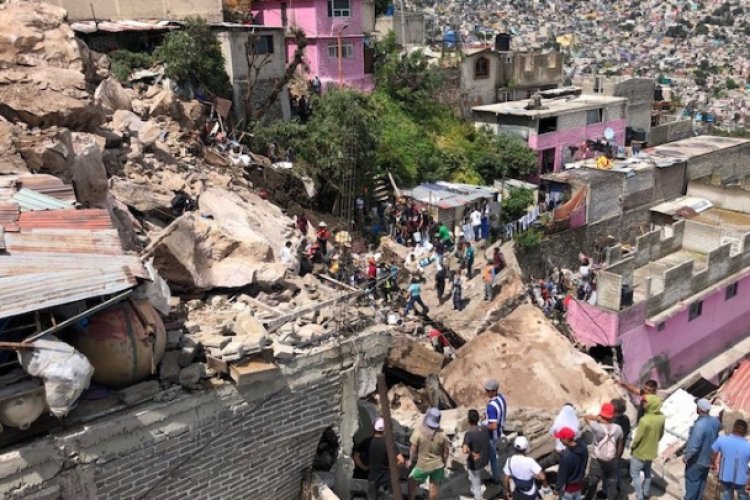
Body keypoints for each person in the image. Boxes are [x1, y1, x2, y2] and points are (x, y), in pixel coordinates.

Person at [583, 403, 624, 500]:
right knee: (611, 482)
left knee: (593, 482)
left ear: (602, 414)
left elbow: (586, 417)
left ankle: (589, 498)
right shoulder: (618, 428)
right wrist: (616, 457)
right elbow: (620, 445)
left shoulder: (597, 427)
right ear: (612, 416)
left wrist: (597, 418)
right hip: (611, 459)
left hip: (597, 459)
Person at [408, 408, 450, 500]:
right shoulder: (442, 434)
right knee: (434, 486)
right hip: (438, 466)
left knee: (411, 480)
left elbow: (413, 449)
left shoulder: (418, 432)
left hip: (422, 466)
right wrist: (445, 462)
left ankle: (411, 498)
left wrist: (410, 461)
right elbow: (446, 451)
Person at [630, 394, 665, 500]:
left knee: (635, 475)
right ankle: (646, 493)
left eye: (645, 402)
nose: (643, 403)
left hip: (639, 453)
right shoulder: (661, 417)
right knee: (648, 473)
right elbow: (661, 434)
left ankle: (639, 496)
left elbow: (637, 438)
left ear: (651, 404)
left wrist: (632, 447)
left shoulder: (644, 420)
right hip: (651, 451)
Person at [684, 399, 720, 500]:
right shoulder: (715, 422)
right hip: (707, 459)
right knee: (701, 483)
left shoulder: (699, 425)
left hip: (697, 460)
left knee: (692, 483)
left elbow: (694, 445)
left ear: (699, 409)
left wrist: (686, 457)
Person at [711, 419, 750, 500]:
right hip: (742, 479)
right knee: (743, 496)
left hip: (725, 476)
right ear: (745, 432)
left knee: (726, 494)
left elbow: (713, 454)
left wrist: (713, 464)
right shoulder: (748, 446)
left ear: (733, 428)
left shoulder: (722, 439)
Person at [368, 417, 406, 500]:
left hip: (373, 478)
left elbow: (356, 455)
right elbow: (401, 460)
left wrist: (364, 467)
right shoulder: (389, 443)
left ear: (373, 428)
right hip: (387, 479)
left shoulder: (368, 442)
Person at [503, 436, 548, 500]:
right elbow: (542, 477)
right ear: (526, 448)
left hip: (520, 490)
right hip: (531, 493)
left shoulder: (509, 460)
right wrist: (546, 488)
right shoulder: (530, 461)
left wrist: (508, 491)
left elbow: (506, 479)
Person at [554, 427, 589, 500]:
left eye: (561, 438)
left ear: (566, 439)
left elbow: (562, 475)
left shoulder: (566, 457)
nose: (560, 440)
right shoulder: (583, 446)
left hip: (568, 489)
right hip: (579, 484)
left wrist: (557, 489)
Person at [463, 409, 491, 500]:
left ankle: (477, 497)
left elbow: (464, 450)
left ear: (468, 420)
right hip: (484, 460)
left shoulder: (469, 434)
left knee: (476, 486)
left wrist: (472, 453)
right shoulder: (484, 428)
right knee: (476, 478)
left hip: (475, 464)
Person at [484, 378, 508, 484]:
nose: (487, 392)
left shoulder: (491, 407)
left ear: (494, 391)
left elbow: (493, 426)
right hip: (500, 430)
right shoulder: (502, 398)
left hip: (492, 435)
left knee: (493, 458)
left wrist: (482, 427)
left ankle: (496, 478)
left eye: (488, 391)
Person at [611, 398, 631, 494]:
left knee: (609, 470)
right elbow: (627, 433)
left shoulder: (612, 421)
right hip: (620, 448)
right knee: (617, 467)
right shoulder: (626, 419)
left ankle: (610, 489)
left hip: (611, 449)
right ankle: (618, 485)